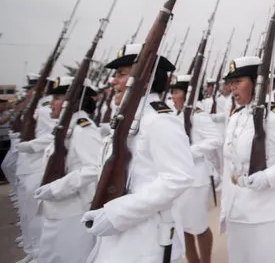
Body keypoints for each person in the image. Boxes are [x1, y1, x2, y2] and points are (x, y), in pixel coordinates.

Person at [81, 44, 195, 263]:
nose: (113, 81)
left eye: (121, 74)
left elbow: (178, 177)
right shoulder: (130, 118)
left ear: (143, 79)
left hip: (145, 240)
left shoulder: (160, 119)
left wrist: (118, 213)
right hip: (123, 237)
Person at [220, 56, 275, 263]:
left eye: (239, 82)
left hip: (266, 215)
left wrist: (268, 177)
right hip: (237, 212)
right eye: (231, 83)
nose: (233, 88)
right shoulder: (236, 117)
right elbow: (230, 165)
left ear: (257, 83)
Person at [34, 76, 102, 263]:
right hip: (57, 210)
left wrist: (57, 188)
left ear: (72, 100)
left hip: (72, 213)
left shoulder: (83, 130)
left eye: (57, 98)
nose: (51, 104)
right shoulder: (67, 128)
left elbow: (94, 168)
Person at [169, 74, 223, 263]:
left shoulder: (198, 115)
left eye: (176, 92)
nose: (172, 96)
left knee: (198, 225)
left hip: (198, 178)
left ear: (186, 94)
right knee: (183, 226)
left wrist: (190, 151)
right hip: (182, 177)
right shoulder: (175, 115)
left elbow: (216, 139)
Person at [15, 75, 56, 263]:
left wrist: (31, 146)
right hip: (30, 163)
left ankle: (36, 249)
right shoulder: (39, 106)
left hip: (38, 162)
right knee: (27, 209)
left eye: (33, 88)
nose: (30, 91)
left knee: (36, 212)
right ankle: (31, 247)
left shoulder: (47, 109)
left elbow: (54, 134)